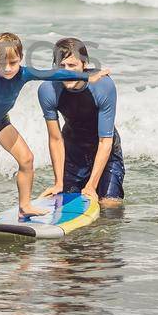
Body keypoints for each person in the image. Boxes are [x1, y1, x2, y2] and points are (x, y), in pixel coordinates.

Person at [0, 32, 109, 221]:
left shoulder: (25, 73)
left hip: (1, 121)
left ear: (20, 58)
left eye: (13, 63)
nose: (8, 69)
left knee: (27, 159)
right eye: (2, 64)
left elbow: (53, 74)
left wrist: (85, 77)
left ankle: (25, 206)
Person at [38, 37, 124, 209]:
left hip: (105, 151)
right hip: (73, 154)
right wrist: (58, 182)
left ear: (84, 65)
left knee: (109, 204)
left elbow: (105, 141)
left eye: (72, 65)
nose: (67, 71)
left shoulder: (103, 86)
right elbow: (55, 139)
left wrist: (91, 185)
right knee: (68, 204)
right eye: (61, 66)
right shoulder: (47, 90)